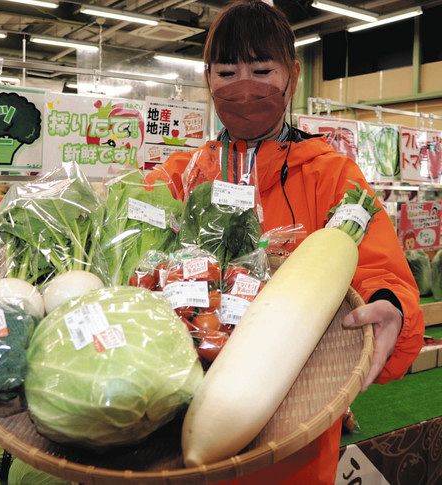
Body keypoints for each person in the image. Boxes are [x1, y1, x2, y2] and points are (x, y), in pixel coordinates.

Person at [145, 1, 424, 483]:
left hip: (292, 424)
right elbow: (124, 232)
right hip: (176, 416)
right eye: (227, 72)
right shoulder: (179, 175)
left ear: (292, 77)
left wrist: (389, 302)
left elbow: (379, 267)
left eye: (261, 70)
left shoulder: (330, 174)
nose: (243, 86)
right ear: (207, 79)